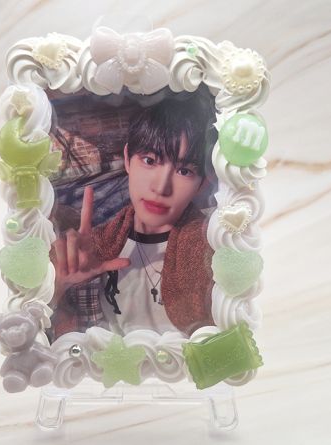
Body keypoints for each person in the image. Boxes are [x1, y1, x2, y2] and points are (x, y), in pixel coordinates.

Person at [48, 89, 218, 340]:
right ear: (128, 159)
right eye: (149, 160)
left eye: (184, 171)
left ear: (202, 183)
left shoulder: (212, 246)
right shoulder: (96, 247)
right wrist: (58, 288)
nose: (161, 187)